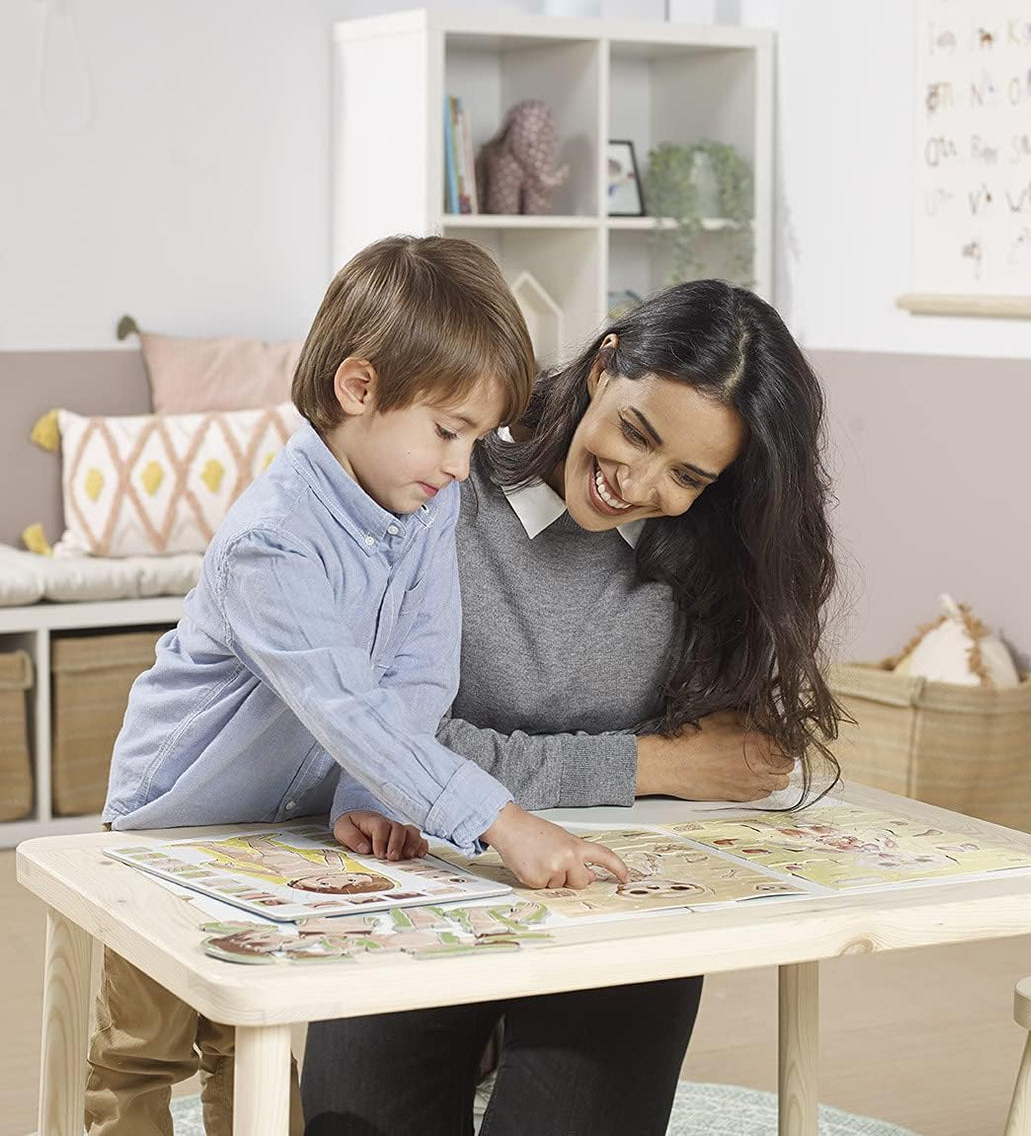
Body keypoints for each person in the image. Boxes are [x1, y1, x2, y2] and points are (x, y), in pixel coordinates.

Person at [84, 235, 627, 1136]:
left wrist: (370, 792)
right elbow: (344, 702)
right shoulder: (274, 540)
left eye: (476, 440)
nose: (462, 464)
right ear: (358, 388)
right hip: (171, 824)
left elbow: (420, 668)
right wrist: (500, 819)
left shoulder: (425, 502)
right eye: (449, 431)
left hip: (273, 830)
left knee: (247, 1037)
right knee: (142, 1050)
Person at [304, 278, 844, 1136]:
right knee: (351, 1123)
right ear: (603, 368)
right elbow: (386, 741)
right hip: (425, 867)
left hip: (608, 891)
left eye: (689, 475)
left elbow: (736, 762)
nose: (638, 482)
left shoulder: (710, 550)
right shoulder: (444, 475)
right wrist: (653, 762)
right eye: (636, 432)